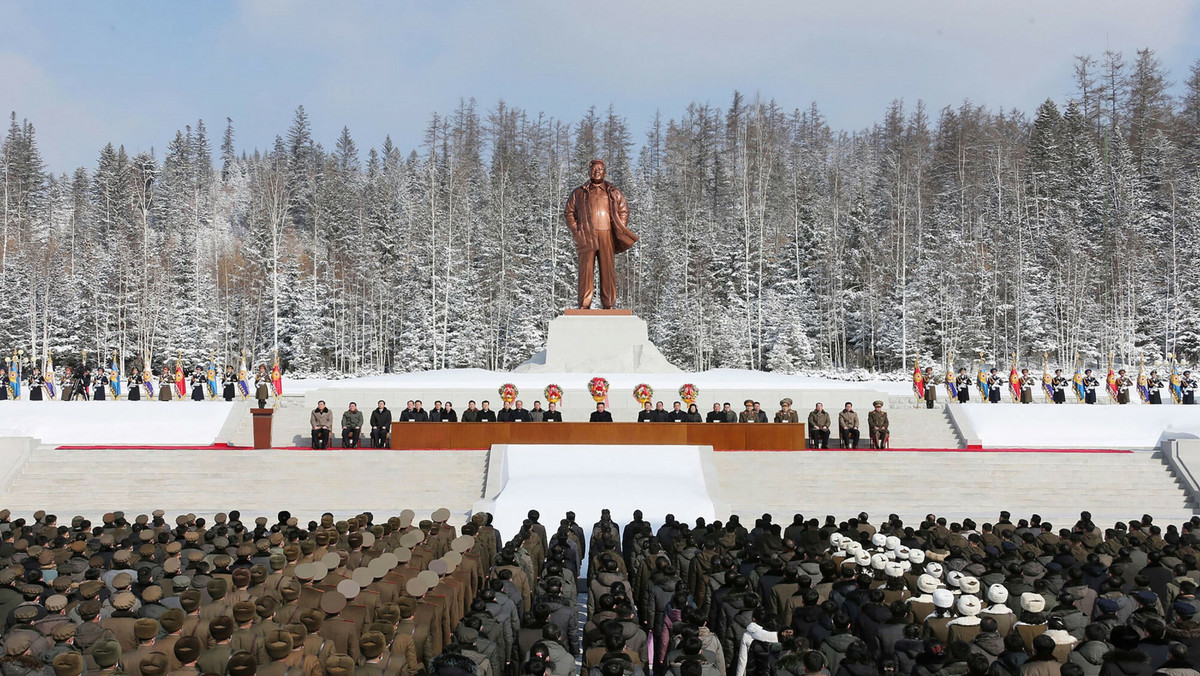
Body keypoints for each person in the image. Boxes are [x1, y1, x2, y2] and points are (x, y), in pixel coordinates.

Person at [563, 159, 637, 309]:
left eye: (599, 169)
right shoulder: (579, 192)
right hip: (586, 235)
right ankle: (584, 304)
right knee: (586, 270)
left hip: (606, 234)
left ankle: (609, 303)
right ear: (589, 171)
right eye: (593, 169)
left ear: (605, 172)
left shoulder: (613, 191)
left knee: (607, 269)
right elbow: (569, 212)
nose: (596, 171)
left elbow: (624, 210)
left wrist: (619, 228)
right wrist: (576, 232)